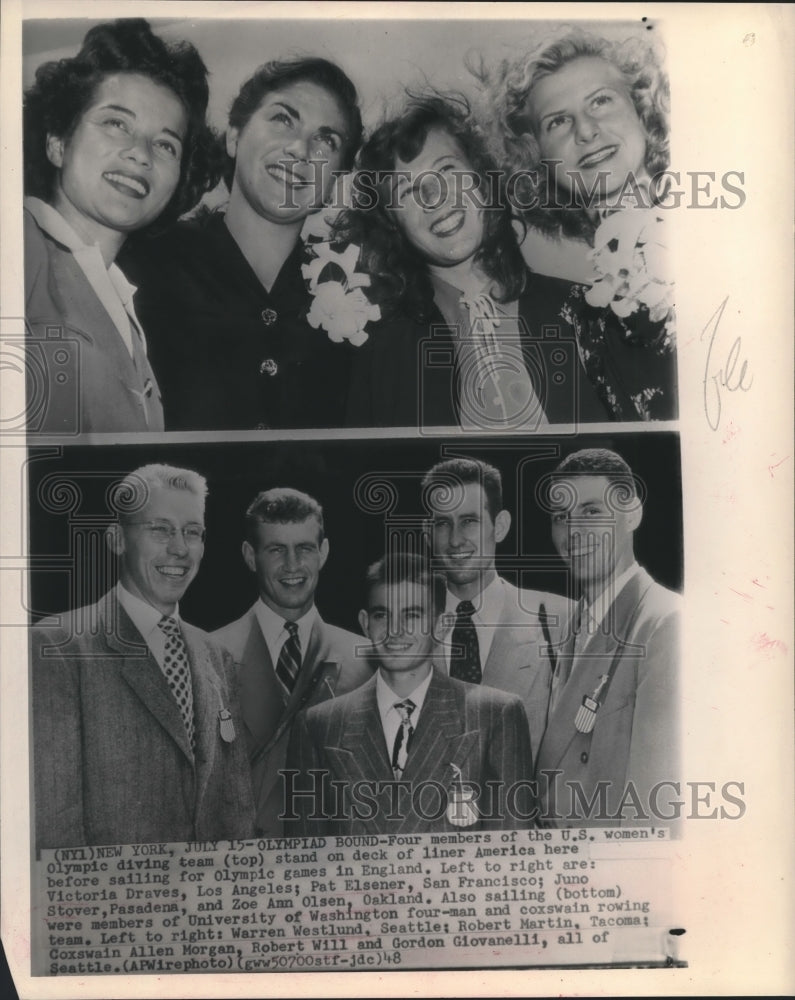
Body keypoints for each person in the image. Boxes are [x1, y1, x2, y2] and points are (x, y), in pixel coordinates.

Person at [341, 93, 614, 429]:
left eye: (446, 171)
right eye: (406, 192)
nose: (433, 198)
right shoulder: (378, 357)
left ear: (483, 180)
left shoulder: (587, 313)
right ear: (391, 222)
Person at [121, 58, 364, 431]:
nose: (300, 149)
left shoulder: (351, 290)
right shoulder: (141, 265)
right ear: (234, 136)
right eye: (283, 119)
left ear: (335, 180)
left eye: (326, 140)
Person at [31, 464, 255, 850]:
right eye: (160, 529)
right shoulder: (60, 646)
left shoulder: (216, 655)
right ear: (117, 539)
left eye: (192, 532)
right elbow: (54, 827)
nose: (180, 548)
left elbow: (236, 811)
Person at [23, 18, 221, 434]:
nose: (140, 154)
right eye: (116, 123)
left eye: (166, 144)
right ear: (57, 141)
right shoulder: (19, 245)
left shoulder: (122, 300)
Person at [479, 27, 677, 419]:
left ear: (642, 110)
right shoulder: (585, 323)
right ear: (538, 161)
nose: (586, 130)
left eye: (601, 101)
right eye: (557, 122)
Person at [284, 552, 535, 835]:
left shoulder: (494, 716)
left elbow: (513, 858)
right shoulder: (319, 727)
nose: (395, 630)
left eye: (412, 615)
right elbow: (304, 864)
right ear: (366, 623)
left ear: (443, 625)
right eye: (382, 615)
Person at [212, 488, 372, 836]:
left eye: (304, 548)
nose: (292, 565)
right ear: (250, 556)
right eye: (276, 550)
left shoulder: (366, 659)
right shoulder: (209, 655)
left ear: (324, 553)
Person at [534, 447, 680, 827]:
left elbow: (655, 811)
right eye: (561, 517)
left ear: (632, 514)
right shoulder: (571, 626)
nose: (574, 531)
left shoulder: (665, 623)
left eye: (592, 511)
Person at [422, 456, 572, 760]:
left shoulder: (561, 620)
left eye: (469, 521)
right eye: (442, 524)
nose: (455, 540)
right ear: (428, 533)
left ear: (500, 526)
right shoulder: (402, 629)